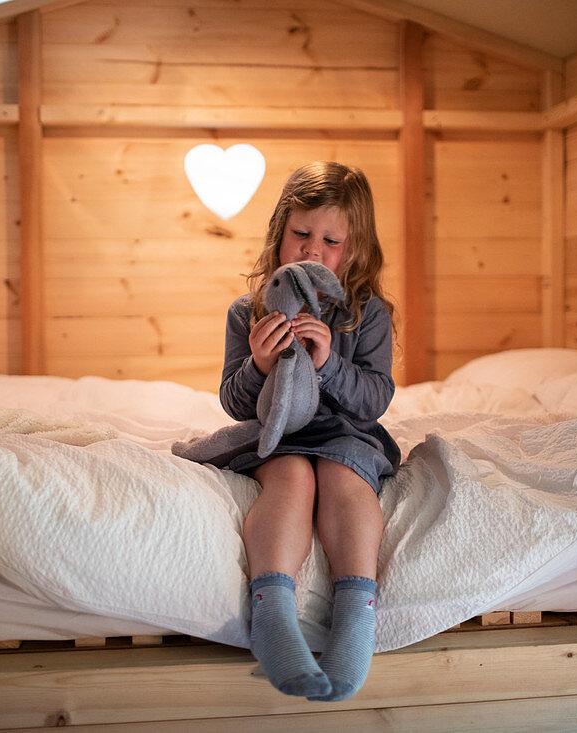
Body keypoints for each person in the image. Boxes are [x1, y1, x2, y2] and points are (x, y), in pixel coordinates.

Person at [219, 161, 401, 701]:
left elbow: (375, 399)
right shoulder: (246, 313)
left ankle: (354, 623)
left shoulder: (366, 315)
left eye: (331, 240)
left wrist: (327, 367)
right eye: (300, 234)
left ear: (356, 249)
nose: (311, 251)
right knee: (292, 480)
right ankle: (273, 616)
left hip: (347, 436)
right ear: (280, 234)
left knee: (343, 479)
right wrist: (257, 365)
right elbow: (234, 402)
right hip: (279, 435)